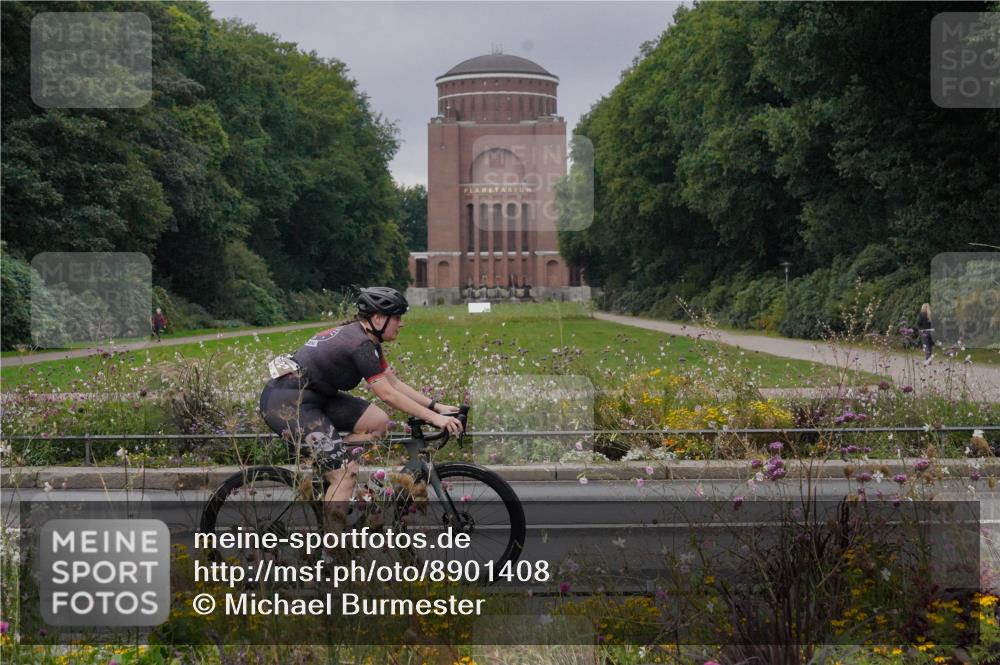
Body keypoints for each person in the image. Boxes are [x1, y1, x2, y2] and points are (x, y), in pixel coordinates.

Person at [259, 286, 463, 532]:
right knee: (345, 473)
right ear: (377, 318)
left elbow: (393, 382)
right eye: (396, 318)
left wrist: (436, 406)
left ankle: (334, 468)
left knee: (378, 421)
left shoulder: (367, 340)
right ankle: (331, 557)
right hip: (286, 403)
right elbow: (387, 393)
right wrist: (435, 419)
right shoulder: (360, 344)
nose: (401, 324)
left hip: (316, 397)